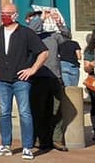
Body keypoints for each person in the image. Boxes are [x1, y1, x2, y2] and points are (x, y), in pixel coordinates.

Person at [0, 4, 48, 159]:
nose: (4, 16)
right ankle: (5, 145)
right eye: (2, 13)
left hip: (21, 80)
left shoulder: (26, 33)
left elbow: (43, 52)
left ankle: (27, 147)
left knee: (24, 112)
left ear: (15, 15)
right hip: (2, 79)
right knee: (4, 112)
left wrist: (32, 69)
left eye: (8, 13)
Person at [26, 9, 69, 153]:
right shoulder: (31, 36)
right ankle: (40, 138)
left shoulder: (53, 36)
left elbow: (67, 37)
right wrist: (41, 18)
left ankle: (57, 139)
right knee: (39, 110)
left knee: (57, 110)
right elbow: (30, 30)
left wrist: (60, 23)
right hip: (38, 77)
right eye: (36, 18)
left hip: (55, 77)